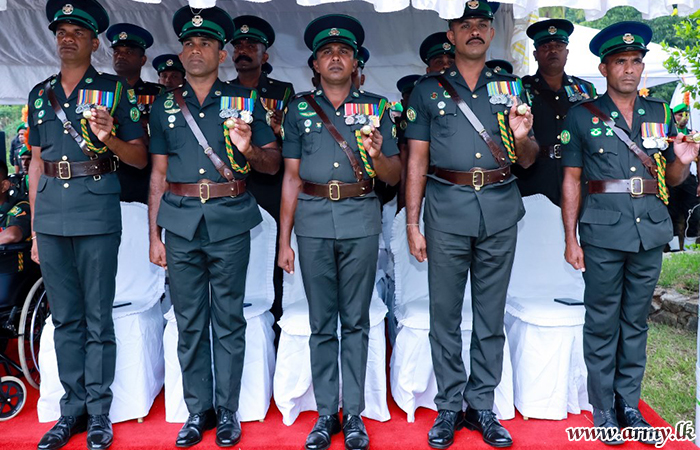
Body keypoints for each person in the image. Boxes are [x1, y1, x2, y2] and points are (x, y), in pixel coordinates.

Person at [404, 1, 538, 448]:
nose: (475, 31)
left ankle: (482, 405)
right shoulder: (427, 91)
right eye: (466, 25)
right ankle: (448, 406)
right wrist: (412, 223)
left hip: (499, 209)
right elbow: (416, 161)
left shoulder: (512, 88)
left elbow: (529, 158)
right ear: (452, 35)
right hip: (446, 210)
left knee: (490, 315)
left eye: (482, 24)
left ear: (492, 34)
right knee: (444, 315)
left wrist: (522, 137)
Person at [561, 21, 699, 445]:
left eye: (636, 61)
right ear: (604, 68)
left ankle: (629, 404)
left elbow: (671, 179)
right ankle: (603, 408)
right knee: (602, 322)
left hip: (649, 231)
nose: (629, 69)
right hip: (603, 231)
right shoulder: (582, 115)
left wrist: (682, 161)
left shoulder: (659, 113)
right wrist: (570, 238)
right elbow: (571, 179)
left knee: (636, 322)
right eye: (620, 62)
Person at [148, 5, 280, 448]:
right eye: (188, 43)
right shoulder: (165, 104)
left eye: (204, 43)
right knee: (188, 321)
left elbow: (271, 163)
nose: (195, 50)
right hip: (180, 221)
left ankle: (227, 410)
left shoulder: (243, 101)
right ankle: (196, 410)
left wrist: (248, 149)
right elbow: (158, 174)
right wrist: (153, 235)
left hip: (229, 218)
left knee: (228, 318)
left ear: (221, 54)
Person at [27, 0, 147, 448]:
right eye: (61, 32)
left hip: (96, 208)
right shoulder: (40, 93)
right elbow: (35, 163)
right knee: (64, 318)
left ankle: (98, 412)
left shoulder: (114, 90)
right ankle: (70, 411)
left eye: (77, 32)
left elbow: (139, 157)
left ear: (95, 43)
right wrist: (34, 229)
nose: (67, 39)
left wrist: (108, 135)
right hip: (50, 215)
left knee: (98, 317)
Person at [278, 14, 400, 450]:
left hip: (360, 218)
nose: (335, 58)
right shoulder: (298, 110)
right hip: (312, 221)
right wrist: (284, 240)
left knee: (356, 322)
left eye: (343, 52)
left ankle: (354, 415)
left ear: (355, 63)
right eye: (327, 52)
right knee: (321, 323)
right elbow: (291, 178)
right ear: (314, 64)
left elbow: (393, 174)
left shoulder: (378, 108)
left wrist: (378, 155)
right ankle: (326, 412)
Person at [514, 19, 597, 206]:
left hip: (578, 174)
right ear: (535, 54)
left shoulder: (585, 89)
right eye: (545, 47)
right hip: (534, 177)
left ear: (567, 52)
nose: (553, 51)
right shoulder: (520, 89)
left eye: (559, 46)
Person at [106, 22, 164, 204]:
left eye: (128, 52)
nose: (121, 56)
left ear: (143, 60)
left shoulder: (159, 94)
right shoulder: (101, 93)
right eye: (117, 52)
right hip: (109, 173)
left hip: (145, 175)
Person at [667, 103, 699, 248]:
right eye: (680, 115)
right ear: (673, 116)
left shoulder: (693, 134)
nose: (684, 118)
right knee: (671, 212)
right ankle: (674, 249)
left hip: (690, 178)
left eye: (686, 115)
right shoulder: (667, 134)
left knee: (694, 212)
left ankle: (689, 248)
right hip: (669, 179)